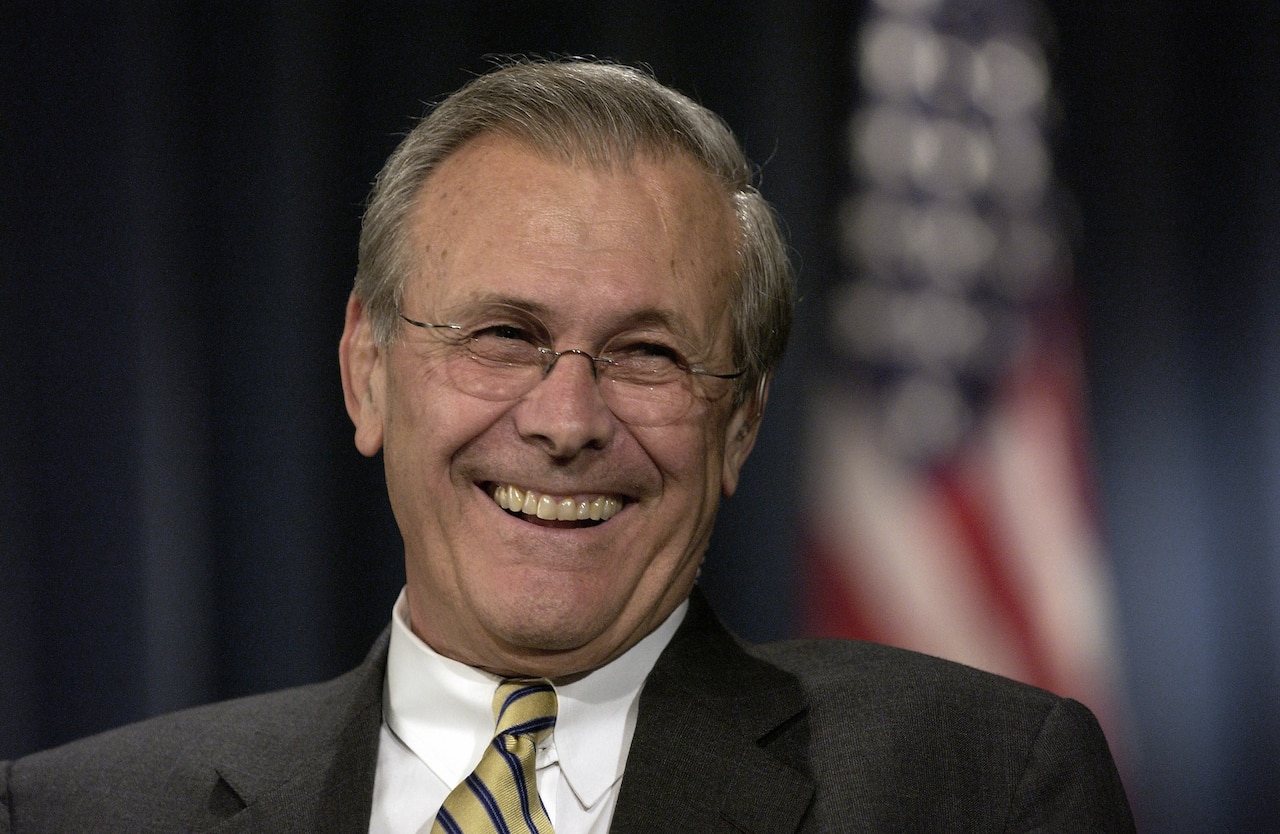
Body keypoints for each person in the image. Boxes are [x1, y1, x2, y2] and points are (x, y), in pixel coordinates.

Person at [0, 59, 1134, 833]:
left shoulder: (972, 786)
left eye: (647, 354)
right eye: (502, 335)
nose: (565, 419)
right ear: (366, 371)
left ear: (738, 423)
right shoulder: (76, 813)